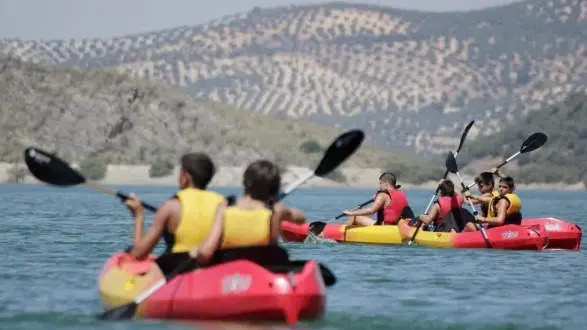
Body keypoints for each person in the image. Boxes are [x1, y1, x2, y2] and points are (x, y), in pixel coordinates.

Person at [188, 159, 298, 266]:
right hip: (262, 275)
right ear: (275, 189)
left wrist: (196, 251)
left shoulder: (224, 209)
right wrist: (282, 210)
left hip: (228, 276)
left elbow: (205, 253)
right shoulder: (276, 212)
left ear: (246, 182)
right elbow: (300, 218)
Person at [123, 152, 226, 260]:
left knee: (129, 254)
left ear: (186, 176)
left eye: (180, 172)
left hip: (179, 269)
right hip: (211, 267)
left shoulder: (171, 206)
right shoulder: (223, 204)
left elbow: (138, 254)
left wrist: (138, 216)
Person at [343, 171, 414, 226]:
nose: (379, 186)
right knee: (360, 216)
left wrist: (351, 213)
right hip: (397, 226)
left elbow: (371, 211)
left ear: (386, 183)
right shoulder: (400, 193)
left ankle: (339, 234)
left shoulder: (382, 195)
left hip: (384, 228)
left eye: (380, 183)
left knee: (355, 217)